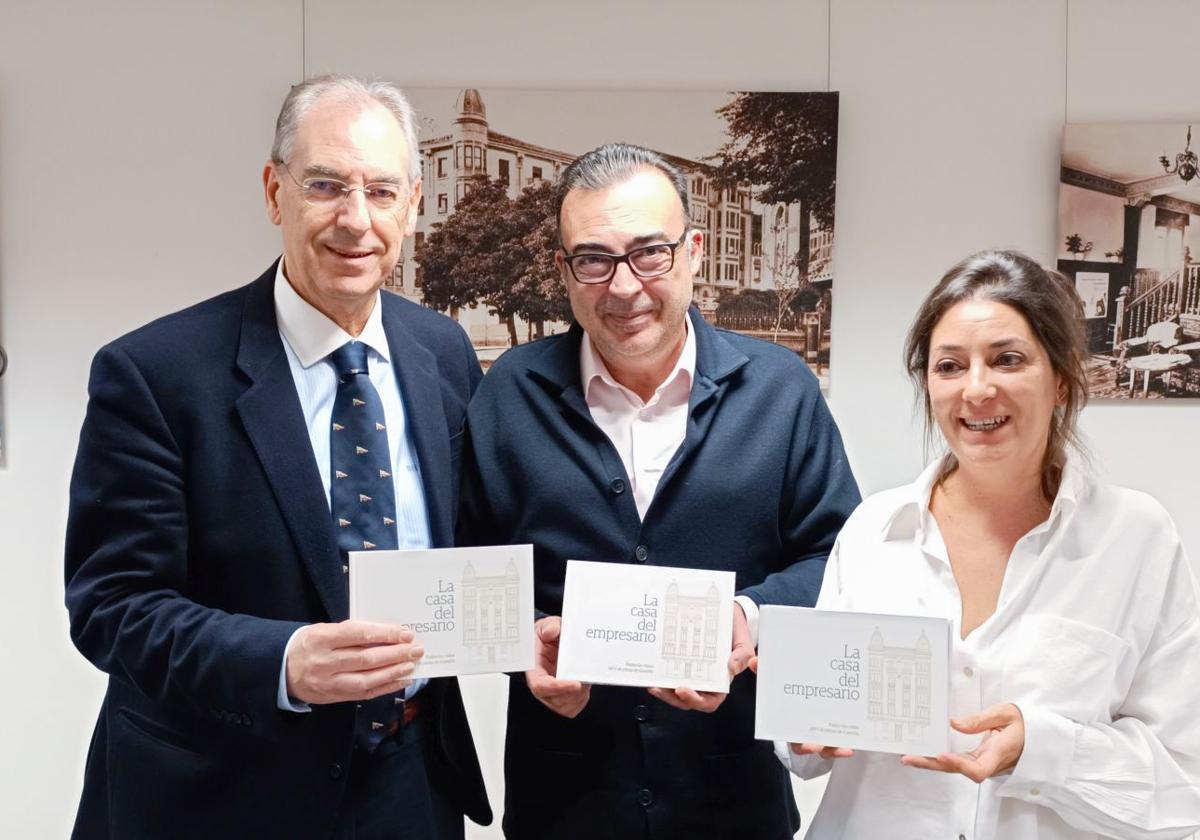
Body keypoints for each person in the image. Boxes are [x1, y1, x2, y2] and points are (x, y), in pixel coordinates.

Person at [64, 75, 491, 839]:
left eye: (382, 192)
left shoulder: (443, 352)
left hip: (410, 783)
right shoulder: (156, 374)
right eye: (326, 185)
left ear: (415, 203)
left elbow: (465, 544)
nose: (356, 220)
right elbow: (113, 606)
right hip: (221, 792)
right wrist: (283, 662)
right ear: (274, 191)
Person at [457, 143, 860, 839]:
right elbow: (469, 573)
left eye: (650, 253)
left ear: (693, 252)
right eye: (594, 259)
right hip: (564, 806)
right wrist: (521, 644)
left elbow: (842, 562)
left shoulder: (781, 390)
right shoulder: (509, 395)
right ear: (564, 270)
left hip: (733, 801)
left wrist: (748, 619)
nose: (623, 286)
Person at [774, 250, 1200, 839]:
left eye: (1008, 360)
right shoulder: (873, 530)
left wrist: (1046, 750)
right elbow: (805, 742)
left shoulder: (1137, 539)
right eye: (949, 366)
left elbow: (1182, 784)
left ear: (1061, 380)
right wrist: (803, 730)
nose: (976, 389)